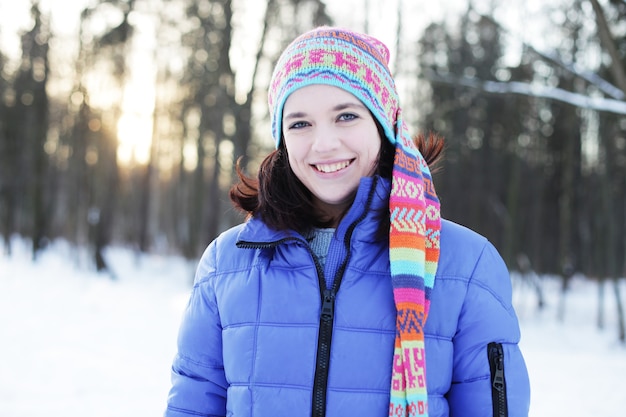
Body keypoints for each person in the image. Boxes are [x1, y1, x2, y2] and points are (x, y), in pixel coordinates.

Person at [164, 26, 530, 417]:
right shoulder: (226, 264)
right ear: (282, 139)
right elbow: (193, 406)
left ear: (384, 125)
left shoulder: (466, 265)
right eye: (300, 123)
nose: (323, 144)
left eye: (346, 116)